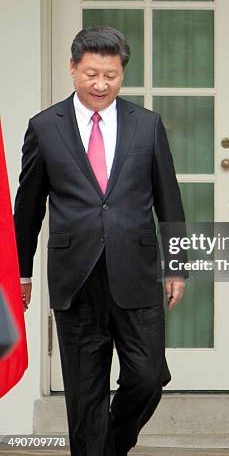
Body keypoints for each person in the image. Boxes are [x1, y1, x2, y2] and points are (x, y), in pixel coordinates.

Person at [14, 26, 187, 456]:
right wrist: (21, 272)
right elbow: (28, 208)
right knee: (85, 392)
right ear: (73, 68)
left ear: (122, 73)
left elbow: (170, 200)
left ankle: (109, 445)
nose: (100, 84)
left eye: (110, 75)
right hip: (76, 279)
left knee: (148, 377)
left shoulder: (146, 125)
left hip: (138, 273)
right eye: (91, 73)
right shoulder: (45, 127)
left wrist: (178, 266)